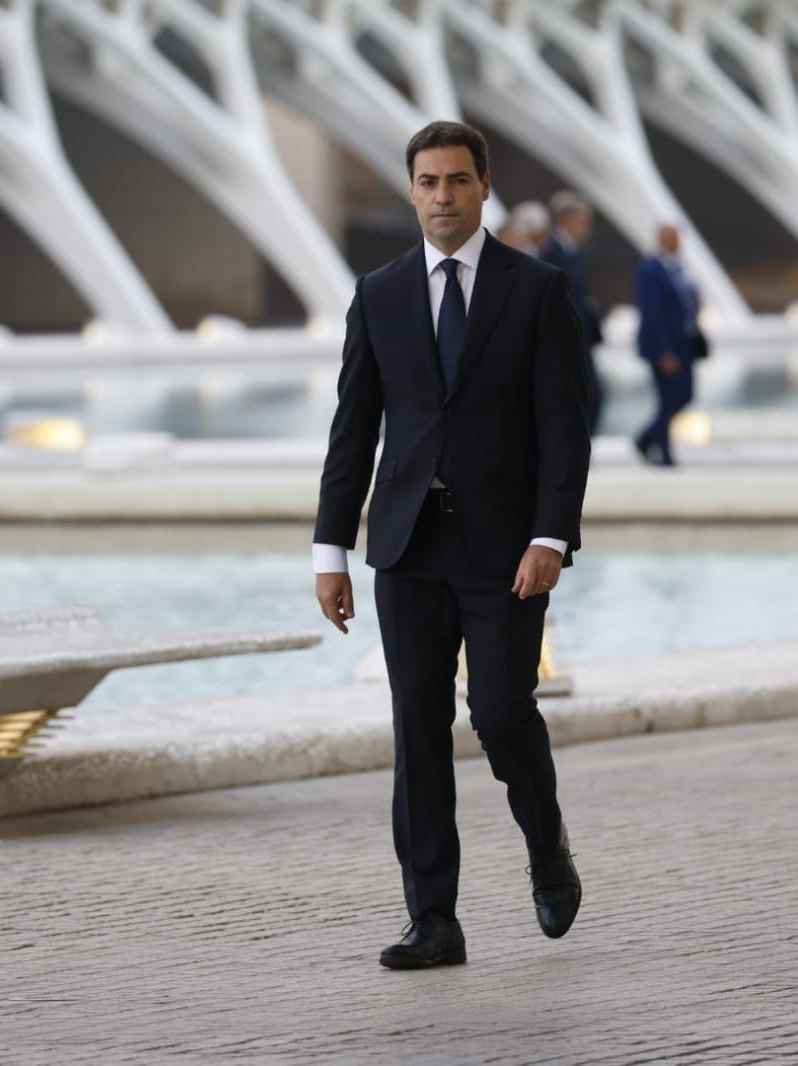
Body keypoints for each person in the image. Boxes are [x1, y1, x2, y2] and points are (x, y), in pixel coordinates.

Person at [312, 120, 591, 970]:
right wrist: (330, 550)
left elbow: (564, 427)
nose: (443, 196)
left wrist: (551, 534)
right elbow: (353, 428)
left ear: (482, 187)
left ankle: (546, 848)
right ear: (411, 191)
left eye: (457, 181)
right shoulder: (380, 293)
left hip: (505, 549)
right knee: (417, 731)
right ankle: (432, 918)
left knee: (502, 713)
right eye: (428, 182)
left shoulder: (536, 290)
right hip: (405, 548)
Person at [633, 223, 702, 466]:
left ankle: (646, 439)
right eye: (674, 238)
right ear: (663, 240)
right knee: (668, 398)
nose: (678, 243)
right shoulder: (650, 269)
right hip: (665, 347)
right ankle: (663, 452)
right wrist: (664, 350)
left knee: (684, 395)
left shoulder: (677, 268)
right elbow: (653, 313)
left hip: (683, 344)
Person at [538, 192, 605, 432]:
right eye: (584, 220)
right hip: (563, 338)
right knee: (579, 395)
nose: (587, 227)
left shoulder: (575, 252)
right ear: (568, 219)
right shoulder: (550, 252)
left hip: (580, 336)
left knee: (590, 395)